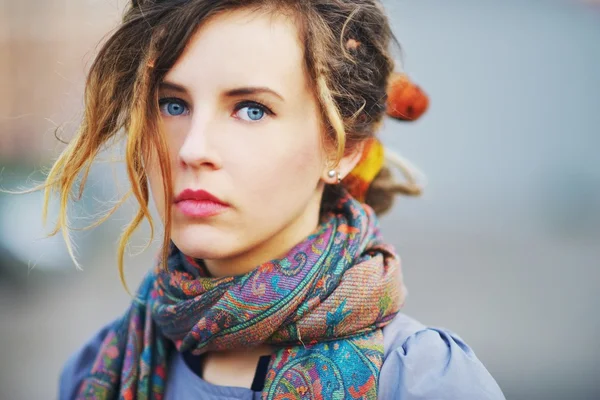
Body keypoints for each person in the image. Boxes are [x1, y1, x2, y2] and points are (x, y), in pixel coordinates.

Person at [43, 0, 505, 398]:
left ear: (344, 149)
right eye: (173, 104)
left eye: (251, 110)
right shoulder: (100, 369)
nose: (193, 149)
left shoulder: (422, 383)